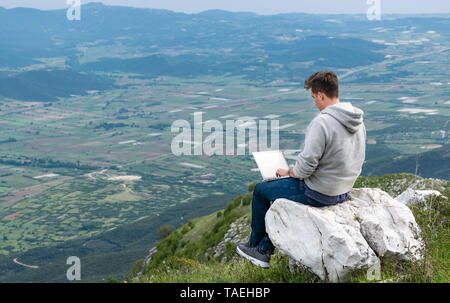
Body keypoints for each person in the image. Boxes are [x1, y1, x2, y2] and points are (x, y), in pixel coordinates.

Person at [236, 71, 366, 268]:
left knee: (262, 190)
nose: (314, 102)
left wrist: (288, 172)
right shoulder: (357, 120)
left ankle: (258, 249)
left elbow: (305, 168)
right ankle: (263, 247)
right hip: (343, 190)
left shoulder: (322, 122)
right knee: (278, 193)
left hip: (319, 192)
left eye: (314, 97)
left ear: (321, 94)